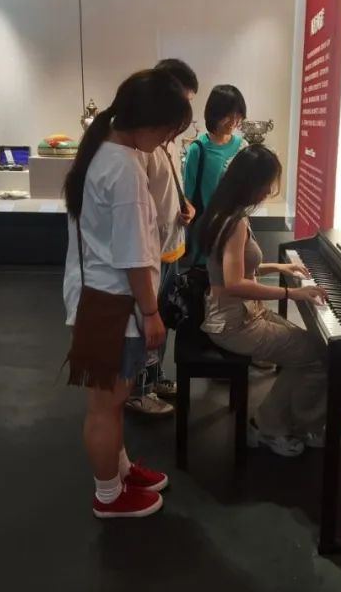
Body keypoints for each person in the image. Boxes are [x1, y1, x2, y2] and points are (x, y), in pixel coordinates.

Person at [63, 69, 192, 518]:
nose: (168, 139)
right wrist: (152, 313)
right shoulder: (124, 168)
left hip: (100, 296)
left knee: (112, 403)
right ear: (150, 122)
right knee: (106, 406)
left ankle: (118, 471)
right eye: (169, 130)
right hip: (113, 303)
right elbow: (135, 254)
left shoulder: (105, 149)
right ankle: (108, 495)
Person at [198, 145, 328, 458]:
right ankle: (271, 427)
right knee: (316, 355)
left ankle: (287, 422)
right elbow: (235, 283)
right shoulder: (235, 222)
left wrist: (278, 268)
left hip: (236, 314)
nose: (269, 191)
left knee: (312, 346)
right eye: (267, 183)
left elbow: (236, 270)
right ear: (251, 183)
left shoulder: (223, 212)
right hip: (234, 323)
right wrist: (291, 293)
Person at [125, 59, 199, 416]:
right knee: (146, 321)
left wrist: (187, 206)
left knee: (163, 320)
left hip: (172, 244)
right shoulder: (140, 144)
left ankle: (154, 379)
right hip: (151, 249)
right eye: (182, 99)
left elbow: (169, 185)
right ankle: (137, 390)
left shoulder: (166, 138)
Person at [181, 84, 248, 262]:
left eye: (238, 115)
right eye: (228, 115)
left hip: (235, 227)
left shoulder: (242, 146)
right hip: (207, 233)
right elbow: (188, 195)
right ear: (214, 114)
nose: (233, 121)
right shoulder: (198, 149)